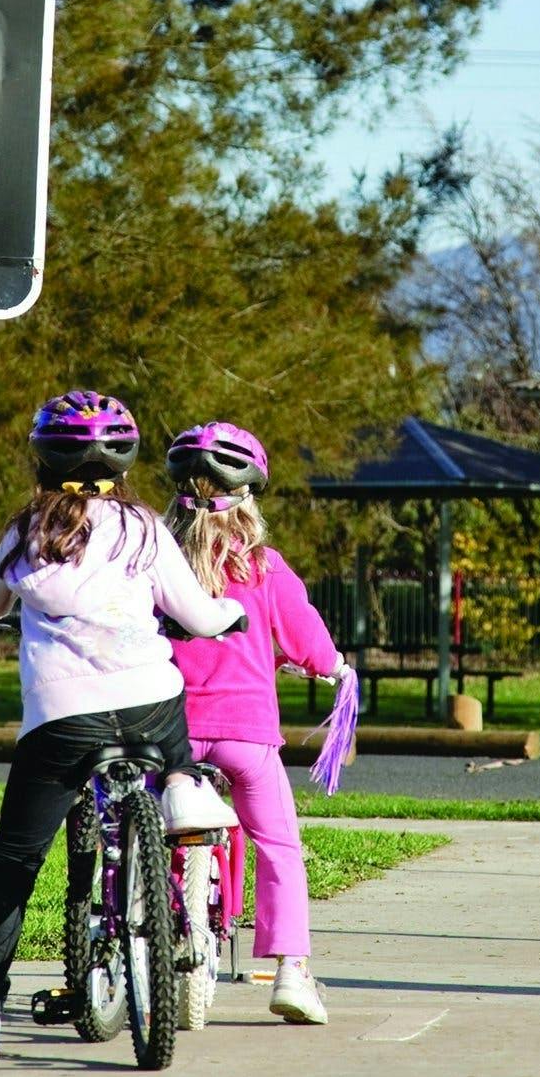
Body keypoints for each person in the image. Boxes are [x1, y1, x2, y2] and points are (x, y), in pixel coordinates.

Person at [0, 389, 247, 1063]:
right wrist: (229, 616)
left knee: (15, 861)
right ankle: (181, 783)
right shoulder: (142, 529)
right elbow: (196, 613)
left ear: (43, 460)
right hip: (148, 703)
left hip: (62, 718)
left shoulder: (27, 531)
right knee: (170, 722)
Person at [164, 419, 348, 1025]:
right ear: (247, 501)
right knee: (279, 846)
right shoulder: (265, 568)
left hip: (172, 733)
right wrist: (332, 667)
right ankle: (292, 971)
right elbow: (308, 641)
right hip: (247, 736)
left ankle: (162, 931)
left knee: (159, 827)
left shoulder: (156, 564)